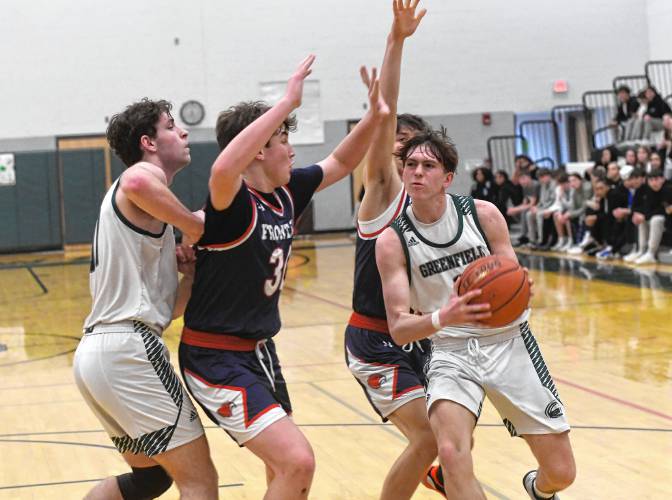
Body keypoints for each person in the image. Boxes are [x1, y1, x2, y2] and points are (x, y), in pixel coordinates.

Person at [179, 56, 389, 499]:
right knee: (297, 460)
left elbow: (341, 162)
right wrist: (286, 101)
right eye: (282, 138)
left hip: (259, 351)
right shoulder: (232, 202)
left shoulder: (287, 191)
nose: (291, 150)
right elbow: (222, 169)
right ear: (256, 149)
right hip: (214, 355)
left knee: (283, 469)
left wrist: (374, 117)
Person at [375, 128, 575, 500]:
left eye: (428, 166)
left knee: (562, 473)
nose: (417, 172)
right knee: (450, 452)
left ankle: (539, 489)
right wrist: (442, 317)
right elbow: (400, 329)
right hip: (451, 352)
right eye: (411, 165)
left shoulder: (483, 215)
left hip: (509, 342)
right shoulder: (392, 241)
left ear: (447, 178)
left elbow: (515, 282)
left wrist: (519, 289)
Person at [73, 99, 219, 499]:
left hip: (99, 354)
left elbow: (168, 310)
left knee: (150, 479)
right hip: (128, 351)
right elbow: (138, 183)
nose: (184, 132)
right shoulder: (140, 177)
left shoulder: (147, 211)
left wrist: (188, 276)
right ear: (148, 143)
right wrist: (195, 225)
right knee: (200, 480)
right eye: (171, 126)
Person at [343, 2, 443, 499]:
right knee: (427, 438)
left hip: (422, 335)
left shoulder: (440, 208)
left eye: (412, 144)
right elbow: (386, 120)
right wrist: (397, 39)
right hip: (375, 340)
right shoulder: (382, 191)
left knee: (447, 438)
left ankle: (440, 475)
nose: (402, 151)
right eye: (395, 141)